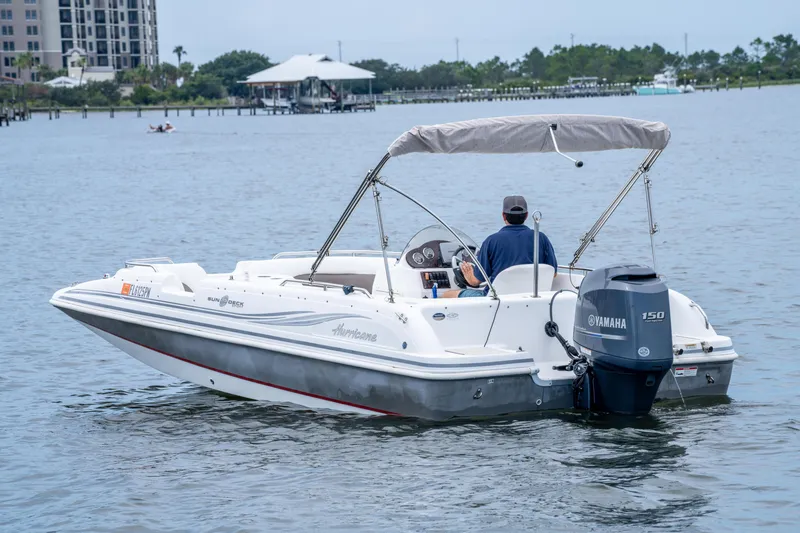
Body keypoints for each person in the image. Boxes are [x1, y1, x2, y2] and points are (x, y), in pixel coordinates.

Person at [442, 195, 558, 298]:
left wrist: (467, 273)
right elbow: (552, 274)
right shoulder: (541, 238)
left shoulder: (491, 241)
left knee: (446, 295)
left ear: (503, 216)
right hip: (531, 297)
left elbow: (476, 281)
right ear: (526, 215)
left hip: (497, 300)